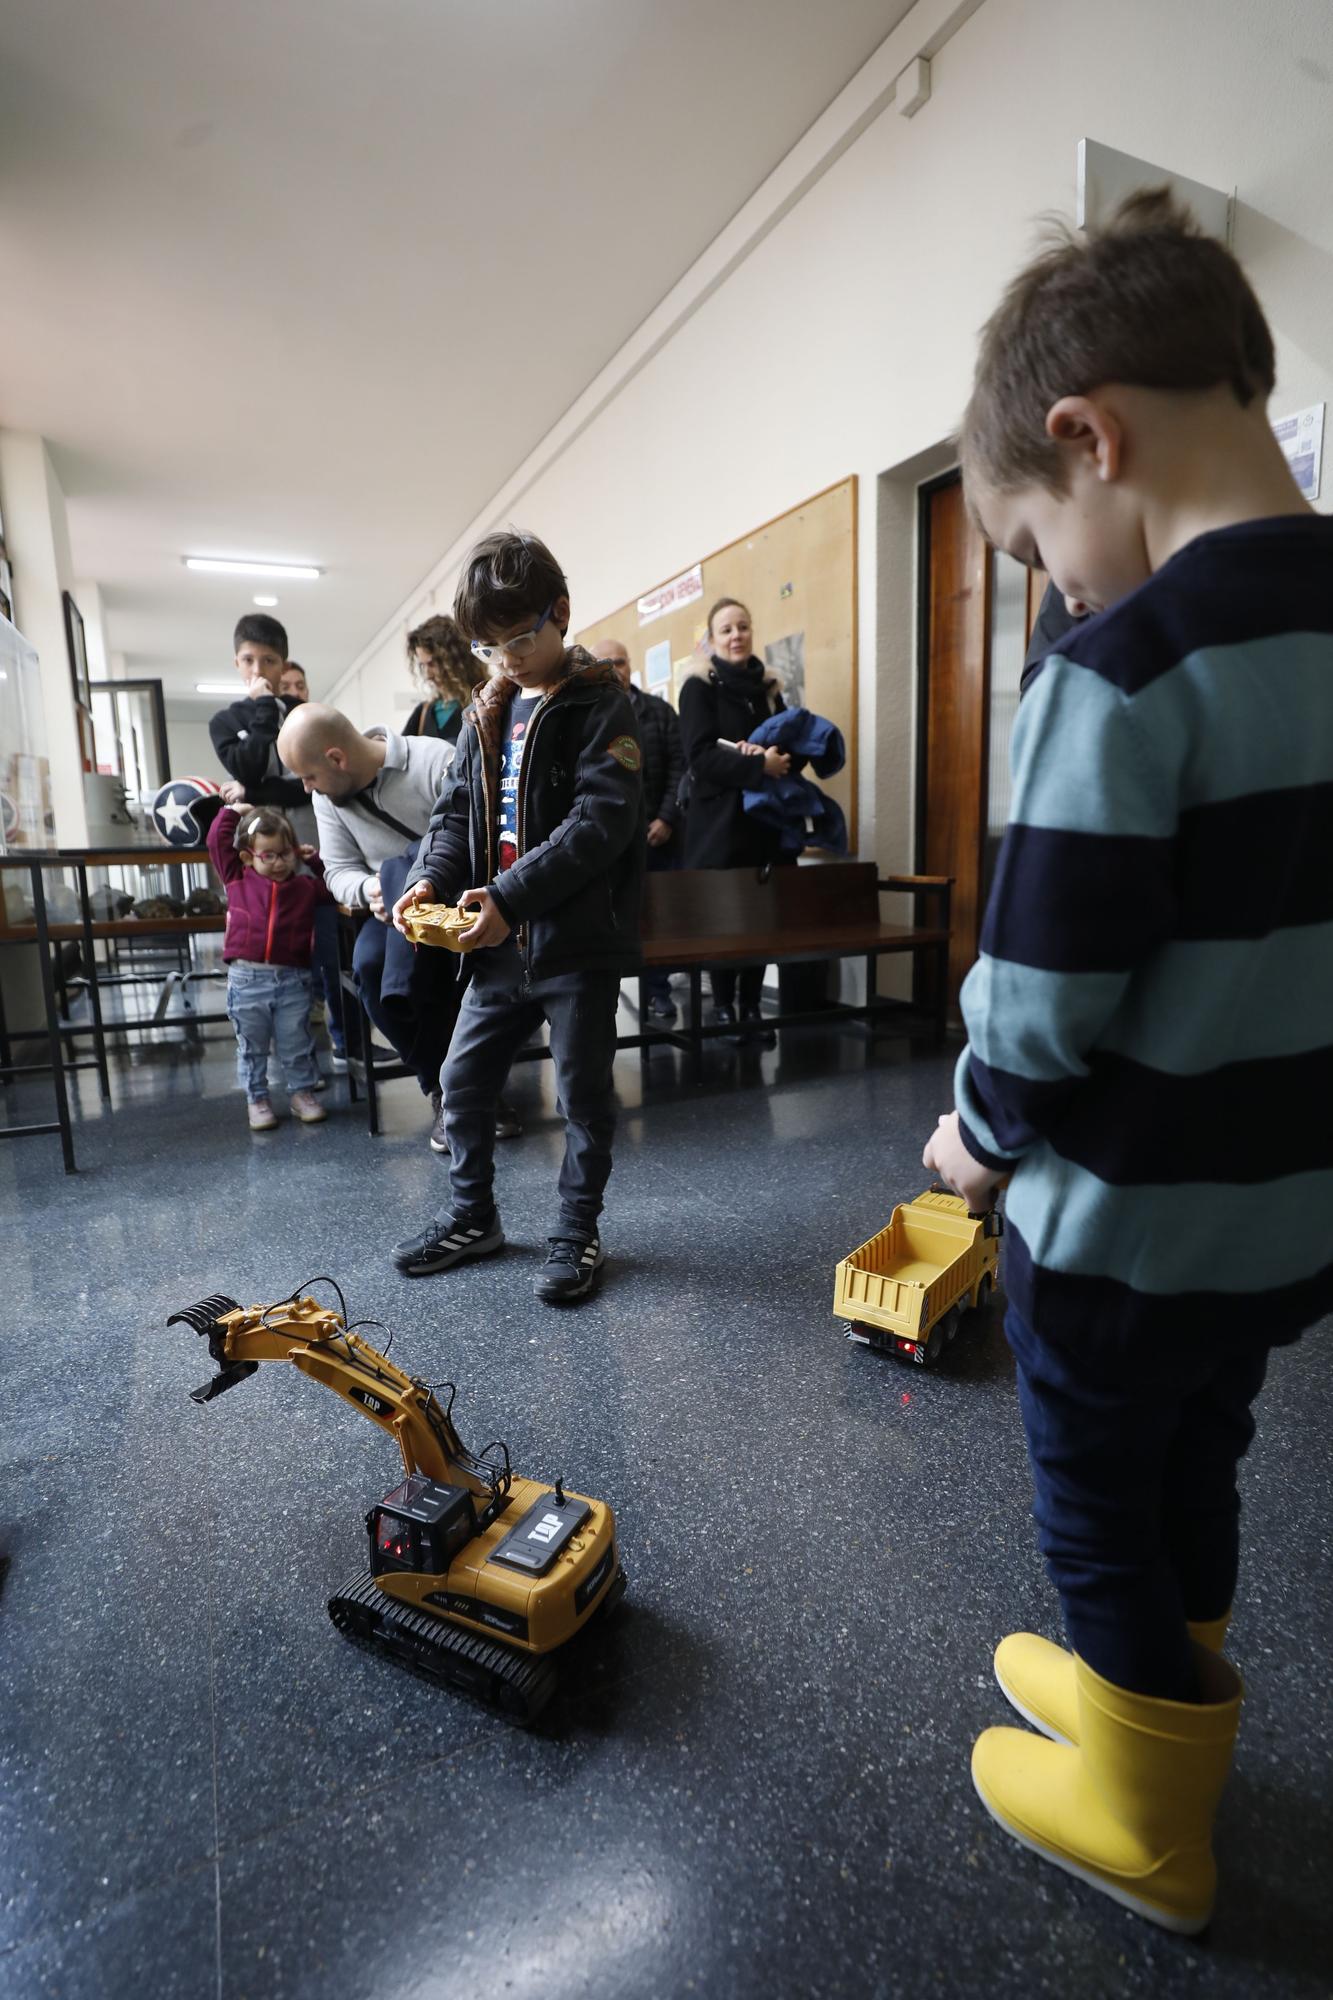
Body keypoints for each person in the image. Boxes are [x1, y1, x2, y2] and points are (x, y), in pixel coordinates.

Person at [921, 187, 1333, 1935]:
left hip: (1123, 1222)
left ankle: (1145, 1818)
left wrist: (970, 1140)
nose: (1043, 583)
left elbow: (1038, 997)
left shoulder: (1119, 667)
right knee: (1203, 1455)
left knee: (1091, 1493)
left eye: (1026, 543)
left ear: (1084, 438)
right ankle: (1152, 1689)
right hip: (1287, 1218)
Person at [390, 529, 644, 1303]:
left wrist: (508, 898)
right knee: (460, 1083)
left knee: (583, 1098)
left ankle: (576, 1231)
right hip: (495, 952)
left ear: (559, 612)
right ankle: (474, 1217)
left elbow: (600, 825)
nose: (506, 659)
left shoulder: (604, 706)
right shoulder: (485, 712)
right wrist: (430, 879)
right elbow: (455, 810)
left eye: (520, 637)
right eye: (488, 644)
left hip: (575, 948)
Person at [277, 702, 522, 1150]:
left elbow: (478, 835)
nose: (307, 788)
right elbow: (338, 872)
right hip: (390, 911)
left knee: (453, 954)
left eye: (309, 776)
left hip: (458, 893)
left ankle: (476, 1085)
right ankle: (444, 1090)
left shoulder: (432, 760)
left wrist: (411, 882)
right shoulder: (327, 799)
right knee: (370, 968)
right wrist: (372, 889)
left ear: (337, 758)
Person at [208, 615, 354, 1068]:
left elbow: (312, 784)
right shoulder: (226, 721)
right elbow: (251, 765)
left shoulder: (306, 718)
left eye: (268, 660)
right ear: (236, 662)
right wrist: (263, 712)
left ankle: (350, 1044)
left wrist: (251, 794)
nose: (258, 669)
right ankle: (286, 1060)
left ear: (282, 663)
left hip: (313, 854)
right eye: (248, 660)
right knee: (280, 956)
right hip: (263, 866)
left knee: (334, 957)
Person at [677, 597, 791, 1045]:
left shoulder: (769, 688)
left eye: (743, 626)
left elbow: (789, 744)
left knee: (760, 921)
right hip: (718, 826)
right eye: (726, 629)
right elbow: (700, 756)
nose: (736, 635)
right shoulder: (698, 687)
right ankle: (724, 1008)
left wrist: (777, 761)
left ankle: (749, 1007)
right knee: (725, 922)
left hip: (764, 823)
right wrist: (756, 766)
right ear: (712, 639)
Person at [206, 803, 332, 1131]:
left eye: (285, 854)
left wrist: (313, 860)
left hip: (294, 980)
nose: (278, 863)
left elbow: (332, 885)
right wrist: (231, 811)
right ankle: (257, 1098)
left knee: (296, 1043)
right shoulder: (237, 880)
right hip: (247, 980)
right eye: (268, 856)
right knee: (252, 1046)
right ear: (249, 857)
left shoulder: (304, 888)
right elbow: (216, 842)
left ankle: (301, 1093)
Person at [599, 638, 685, 1022]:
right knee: (612, 922)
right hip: (609, 847)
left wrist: (666, 818)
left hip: (658, 839)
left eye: (620, 662)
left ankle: (659, 992)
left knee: (659, 918)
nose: (614, 669)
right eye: (606, 664)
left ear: (630, 665)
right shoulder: (590, 718)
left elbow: (681, 769)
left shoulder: (659, 712)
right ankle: (603, 1001)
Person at [404, 614, 475, 744]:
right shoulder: (423, 713)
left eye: (432, 664)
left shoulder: (483, 704)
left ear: (455, 659)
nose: (428, 675)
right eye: (423, 666)